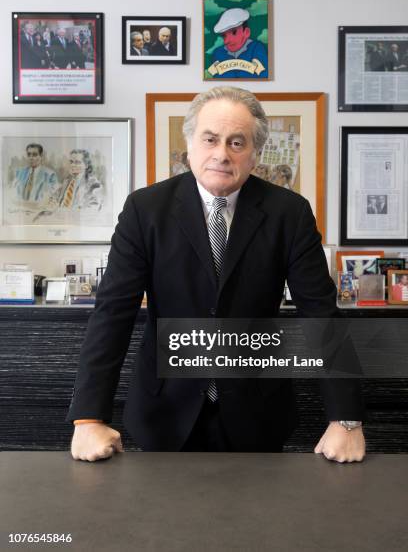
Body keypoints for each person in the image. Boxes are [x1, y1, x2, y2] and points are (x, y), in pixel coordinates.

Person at [69, 86, 365, 462]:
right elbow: (112, 313)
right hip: (165, 410)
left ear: (255, 154)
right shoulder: (146, 210)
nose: (221, 154)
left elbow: (321, 315)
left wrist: (347, 418)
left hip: (257, 412)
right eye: (210, 139)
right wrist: (88, 417)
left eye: (237, 142)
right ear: (190, 144)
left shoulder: (288, 213)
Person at [208, 8, 268, 78]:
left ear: (246, 32)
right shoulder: (218, 53)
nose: (227, 41)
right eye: (224, 35)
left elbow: (264, 76)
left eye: (234, 32)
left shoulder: (256, 49)